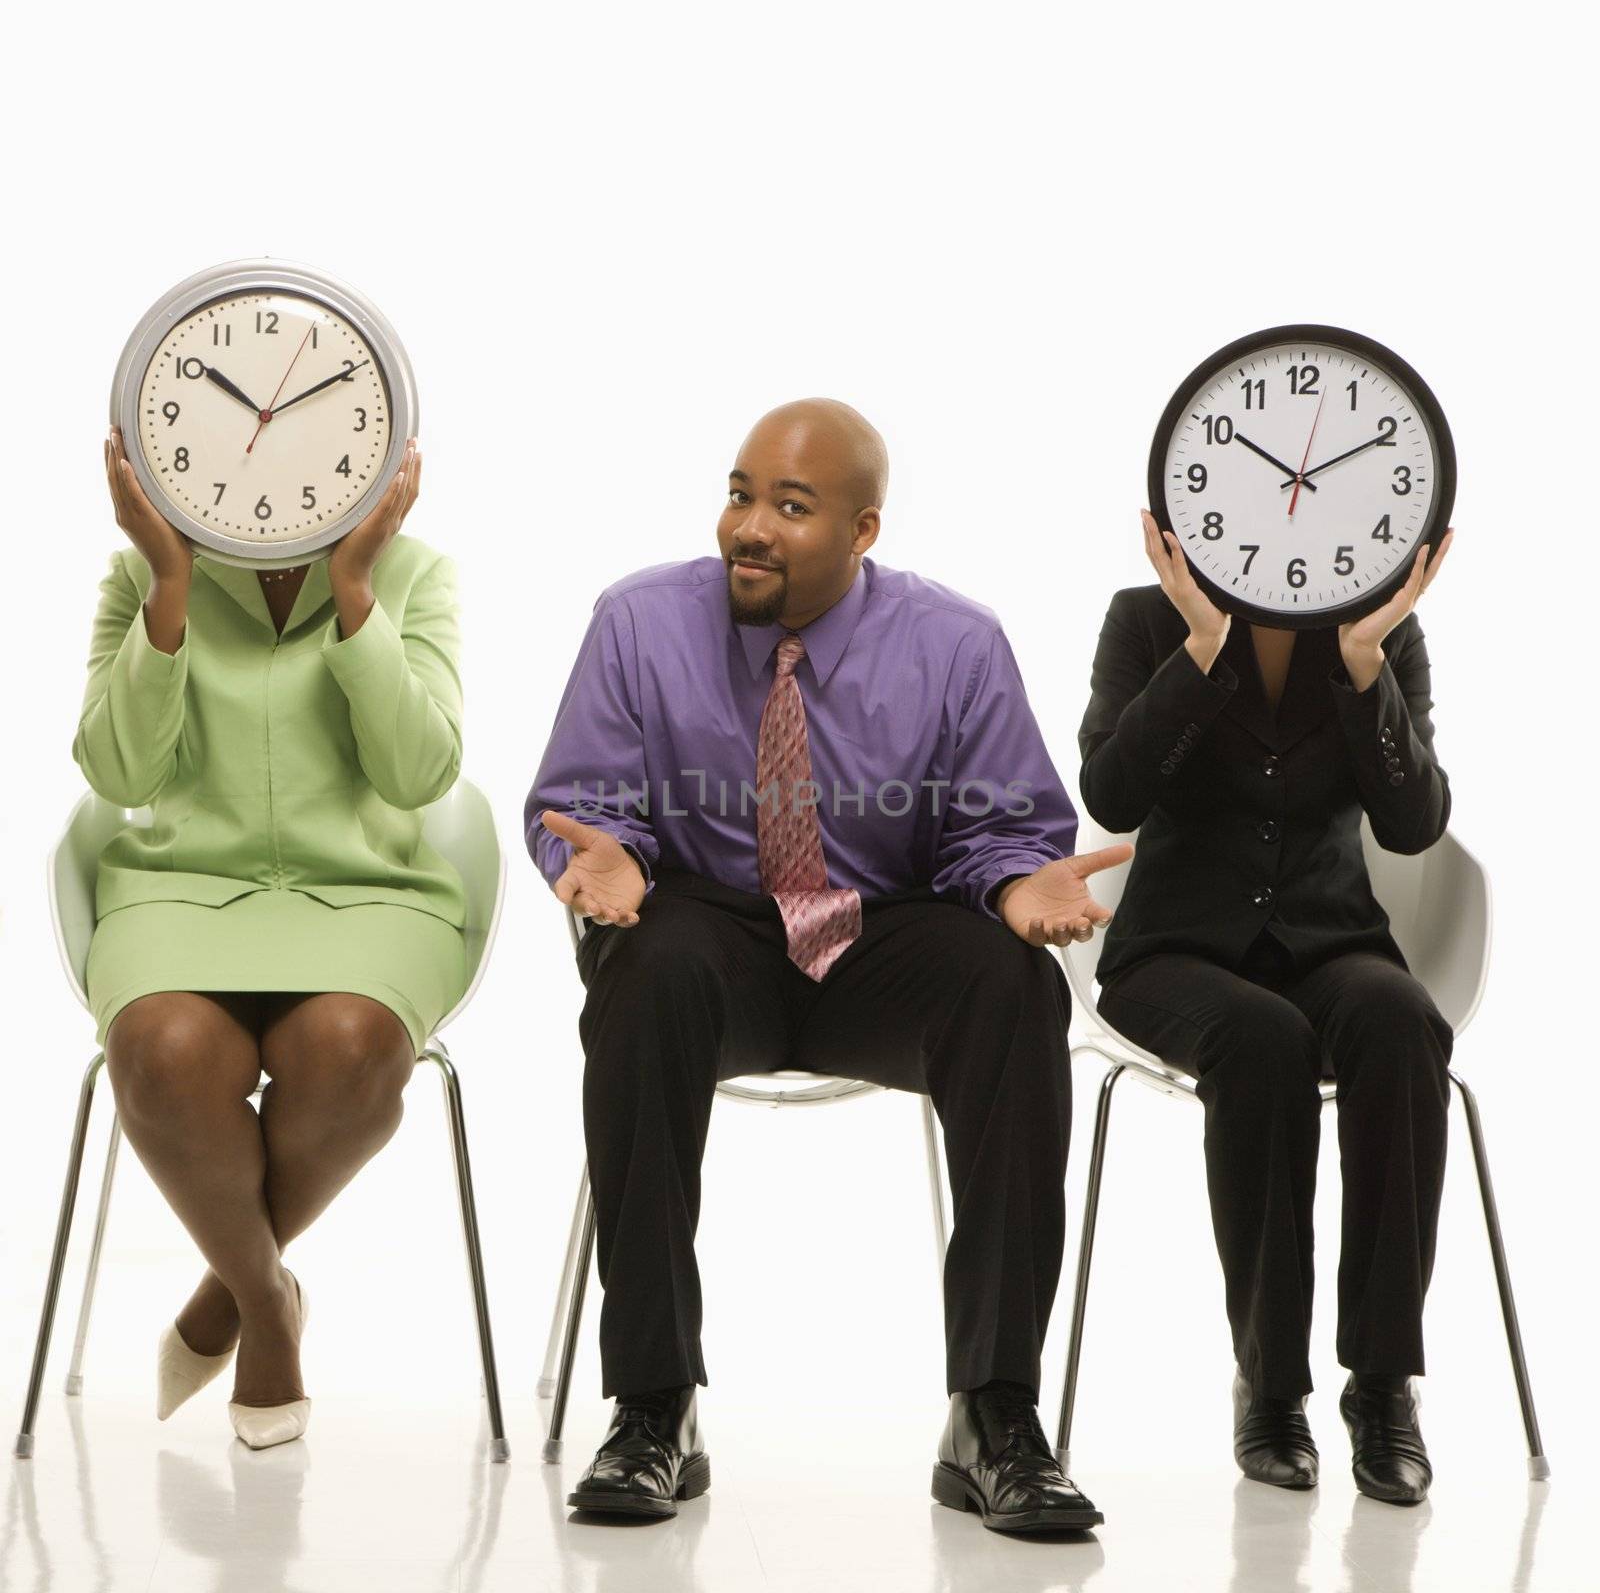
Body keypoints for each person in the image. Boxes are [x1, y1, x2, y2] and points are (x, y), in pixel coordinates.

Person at [525, 398, 1130, 1533]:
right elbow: (586, 806)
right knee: (646, 971)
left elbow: (995, 826)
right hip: (712, 925)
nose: (749, 525)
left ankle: (993, 1413)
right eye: (741, 492)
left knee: (1011, 988)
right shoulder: (638, 622)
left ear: (862, 532)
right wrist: (598, 861)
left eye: (790, 507)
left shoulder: (955, 643)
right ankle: (655, 1406)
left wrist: (1013, 880)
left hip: (877, 933)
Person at [75, 429, 468, 1450]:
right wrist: (168, 587)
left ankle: (222, 1296)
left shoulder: (416, 576)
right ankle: (266, 1303)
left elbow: (418, 776)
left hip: (369, 894)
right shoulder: (139, 573)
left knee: (350, 1050)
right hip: (184, 891)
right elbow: (120, 778)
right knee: (161, 1052)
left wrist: (356, 593)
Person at [1078, 508, 1456, 1505]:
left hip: (1330, 939)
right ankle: (1271, 1385)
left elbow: (1414, 823)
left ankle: (1381, 1388)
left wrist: (1366, 664)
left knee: (1401, 1022)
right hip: (1174, 952)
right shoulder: (1143, 621)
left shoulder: (1386, 634)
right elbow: (1111, 794)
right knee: (1261, 1039)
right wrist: (1199, 651)